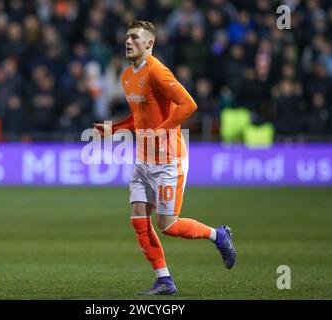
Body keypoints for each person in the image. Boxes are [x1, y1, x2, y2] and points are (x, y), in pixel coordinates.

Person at [93, 20, 236, 296]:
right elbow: (138, 119)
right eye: (127, 37)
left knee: (168, 225)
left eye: (135, 37)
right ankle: (164, 280)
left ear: (150, 44)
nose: (128, 41)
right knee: (138, 217)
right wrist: (114, 129)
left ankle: (219, 235)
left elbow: (188, 104)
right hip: (143, 158)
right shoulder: (126, 76)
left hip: (169, 158)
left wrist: (161, 131)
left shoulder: (157, 72)